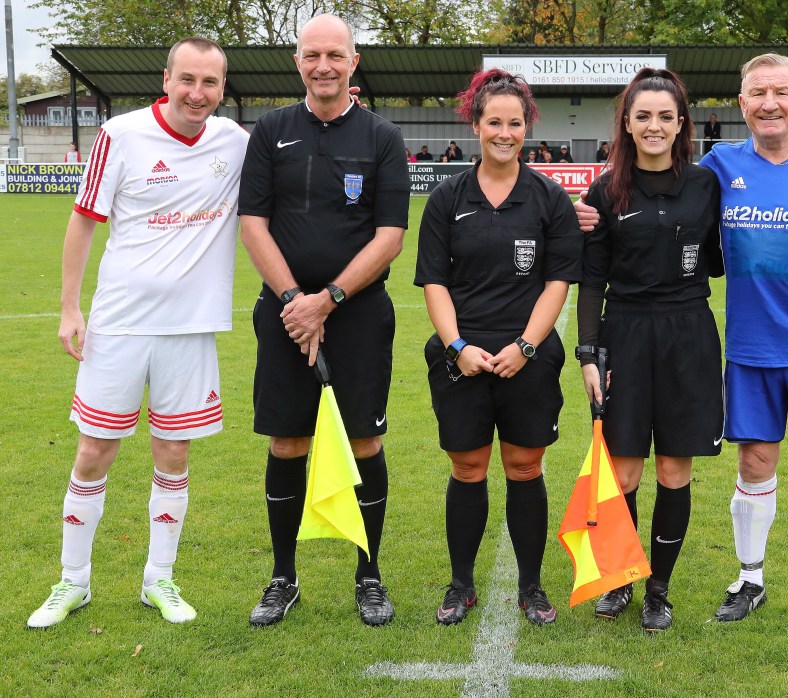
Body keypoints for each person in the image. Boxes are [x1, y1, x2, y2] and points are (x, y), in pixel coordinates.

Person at [574, 53, 788, 639]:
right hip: (746, 349)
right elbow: (643, 211)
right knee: (754, 462)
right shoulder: (719, 167)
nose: (769, 103)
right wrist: (584, 216)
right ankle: (748, 580)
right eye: (757, 94)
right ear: (741, 105)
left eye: (781, 92)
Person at [27, 37, 248, 629]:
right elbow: (82, 220)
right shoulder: (121, 135)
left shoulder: (236, 142)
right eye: (188, 80)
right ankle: (72, 582)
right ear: (168, 79)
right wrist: (70, 308)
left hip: (190, 330)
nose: (198, 94)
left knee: (173, 453)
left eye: (210, 83)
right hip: (120, 325)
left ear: (223, 87)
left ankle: (160, 580)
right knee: (94, 451)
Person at [238, 14, 410, 628]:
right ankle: (283, 578)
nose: (324, 66)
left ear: (353, 62)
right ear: (298, 62)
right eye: (312, 55)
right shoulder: (270, 131)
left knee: (365, 440)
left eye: (335, 55)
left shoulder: (383, 137)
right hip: (285, 316)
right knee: (289, 441)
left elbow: (390, 237)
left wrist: (326, 300)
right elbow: (251, 224)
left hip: (358, 315)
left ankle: (369, 574)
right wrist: (294, 302)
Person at [414, 68, 581, 628]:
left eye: (515, 122)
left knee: (524, 464)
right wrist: (455, 344)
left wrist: (527, 347)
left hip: (526, 356)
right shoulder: (446, 198)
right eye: (494, 122)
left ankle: (530, 587)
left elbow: (558, 282)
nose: (504, 132)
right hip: (461, 355)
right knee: (468, 466)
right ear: (476, 124)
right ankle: (461, 585)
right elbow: (434, 281)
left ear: (526, 126)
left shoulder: (549, 199)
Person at [577, 68, 723, 632]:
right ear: (627, 125)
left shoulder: (705, 186)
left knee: (673, 467)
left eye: (666, 115)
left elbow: (720, 256)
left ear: (681, 123)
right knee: (625, 470)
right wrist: (588, 354)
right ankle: (619, 578)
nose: (655, 125)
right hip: (627, 334)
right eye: (644, 116)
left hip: (689, 333)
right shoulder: (605, 190)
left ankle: (658, 589)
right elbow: (591, 280)